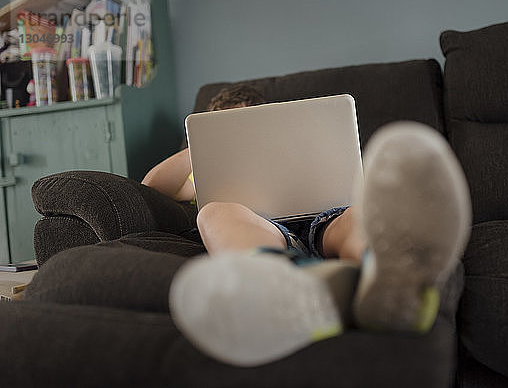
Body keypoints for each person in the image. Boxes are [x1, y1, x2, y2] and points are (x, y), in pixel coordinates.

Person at [143, 84, 472, 367]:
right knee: (213, 214)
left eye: (251, 121)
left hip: (325, 217)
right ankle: (280, 287)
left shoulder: (298, 147)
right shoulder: (196, 175)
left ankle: (382, 273)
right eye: (232, 126)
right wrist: (200, 147)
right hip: (262, 229)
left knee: (358, 214)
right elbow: (152, 185)